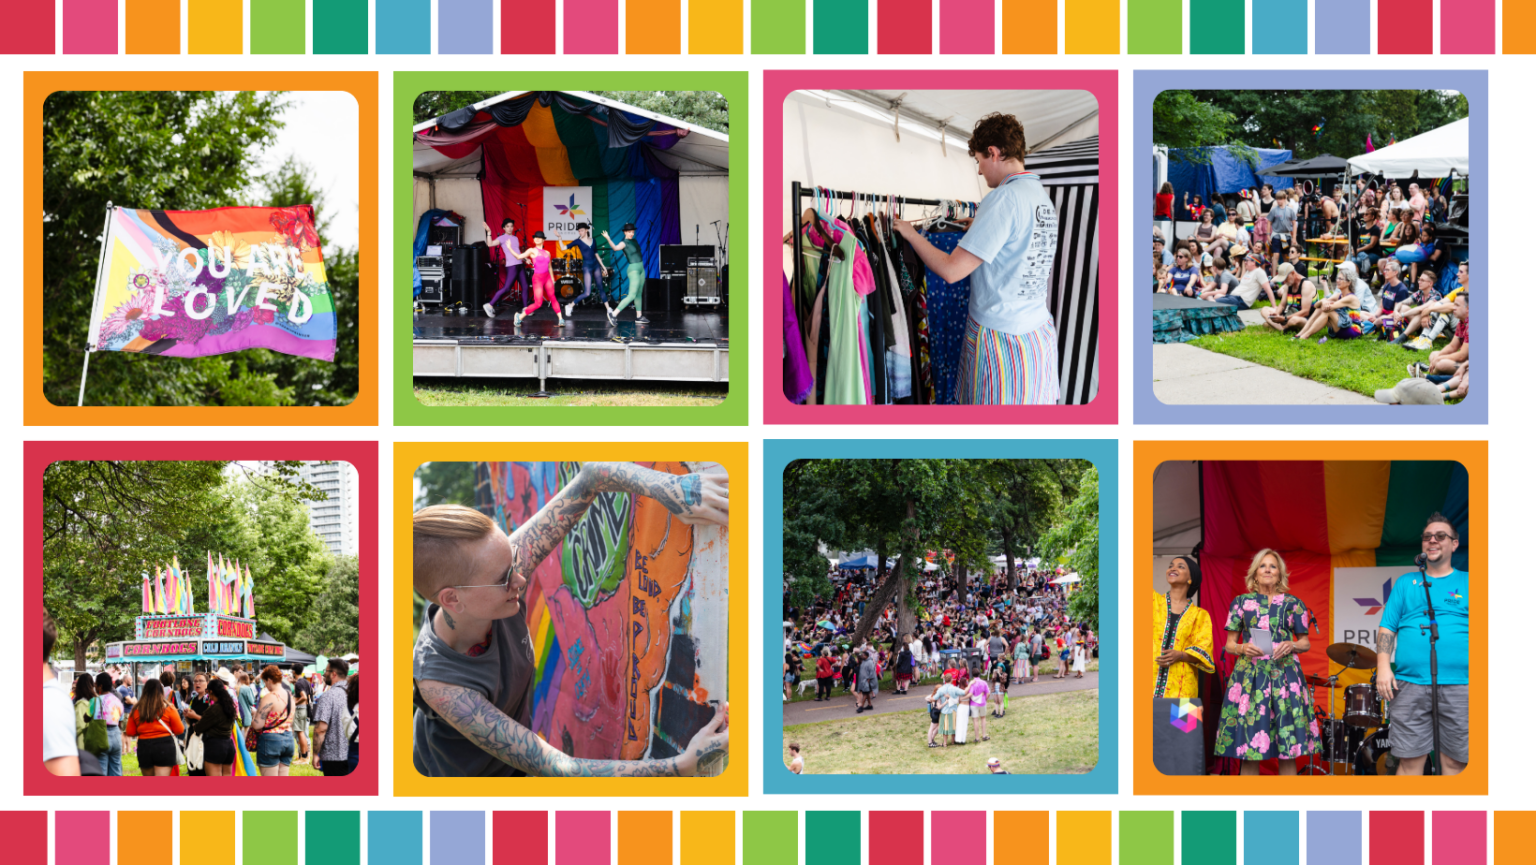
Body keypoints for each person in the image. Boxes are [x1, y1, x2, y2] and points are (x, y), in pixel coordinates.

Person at [412, 463, 729, 778]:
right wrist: (682, 766)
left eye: (512, 562)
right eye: (504, 578)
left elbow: (591, 477)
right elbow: (559, 767)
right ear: (452, 599)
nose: (520, 578)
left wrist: (671, 487)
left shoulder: (495, 575)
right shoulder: (441, 686)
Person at [891, 112, 1062, 405]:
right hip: (1037, 334)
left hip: (1003, 341)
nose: (980, 172)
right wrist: (980, 227)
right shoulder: (1040, 197)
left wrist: (911, 234)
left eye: (979, 161)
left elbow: (951, 271)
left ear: (994, 153)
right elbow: (1016, 245)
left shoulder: (1003, 199)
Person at [1375, 514, 1469, 775]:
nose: (1432, 540)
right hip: (1410, 684)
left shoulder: (1470, 582)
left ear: (1455, 544)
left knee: (1455, 763)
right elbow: (1387, 628)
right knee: (1409, 762)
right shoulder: (1406, 582)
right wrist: (1383, 667)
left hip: (1462, 684)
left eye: (1440, 536)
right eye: (1427, 536)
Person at [1213, 549, 1319, 775]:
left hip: (1285, 677)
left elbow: (1305, 643)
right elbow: (1229, 645)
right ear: (1255, 573)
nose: (1268, 569)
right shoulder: (1240, 602)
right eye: (1263, 566)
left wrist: (1291, 644)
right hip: (1250, 678)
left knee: (1287, 747)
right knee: (1249, 747)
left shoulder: (1293, 603)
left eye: (1273, 566)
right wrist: (1242, 647)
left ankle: (1288, 809)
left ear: (1280, 574)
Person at [1154, 556, 1216, 699]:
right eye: (1171, 565)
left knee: (1183, 722)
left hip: (1183, 690)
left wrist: (1180, 655)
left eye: (1180, 566)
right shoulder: (1152, 601)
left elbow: (1204, 652)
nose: (1173, 568)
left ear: (1191, 578)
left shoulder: (1200, 615)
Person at [124, 679, 184, 776]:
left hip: (144, 746)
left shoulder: (136, 709)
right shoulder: (169, 708)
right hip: (165, 745)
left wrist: (144, 730)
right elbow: (180, 730)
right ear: (161, 691)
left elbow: (130, 732)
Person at [310, 658, 354, 776]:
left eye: (326, 671)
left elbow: (321, 729)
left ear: (333, 674)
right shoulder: (355, 693)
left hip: (334, 757)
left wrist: (315, 754)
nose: (324, 674)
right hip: (355, 754)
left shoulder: (328, 696)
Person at [250, 664, 296, 776]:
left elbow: (257, 725)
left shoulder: (269, 697)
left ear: (269, 680)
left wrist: (254, 716)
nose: (265, 685)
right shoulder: (291, 697)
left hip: (270, 741)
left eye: (265, 682)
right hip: (288, 739)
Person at [511, 231, 564, 327]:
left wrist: (552, 279)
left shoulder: (547, 252)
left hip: (547, 277)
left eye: (539, 237)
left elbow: (550, 267)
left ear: (543, 240)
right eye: (535, 237)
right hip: (538, 279)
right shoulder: (532, 250)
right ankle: (520, 316)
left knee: (553, 297)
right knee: (538, 303)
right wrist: (510, 248)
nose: (536, 239)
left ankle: (561, 319)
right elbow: (519, 256)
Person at [1412, 292, 1469, 379]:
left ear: (1468, 309)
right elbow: (1452, 346)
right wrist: (1438, 357)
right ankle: (1439, 373)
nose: (1453, 308)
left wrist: (1439, 359)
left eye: (1457, 305)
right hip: (1464, 361)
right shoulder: (1461, 322)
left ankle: (1428, 375)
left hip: (1468, 364)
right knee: (1434, 355)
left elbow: (1462, 356)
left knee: (1441, 363)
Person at [482, 218, 531, 316]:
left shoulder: (515, 238)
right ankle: (489, 305)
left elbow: (518, 252)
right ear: (504, 228)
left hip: (520, 265)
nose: (510, 228)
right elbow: (489, 244)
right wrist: (489, 232)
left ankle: (525, 309)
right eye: (507, 226)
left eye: (511, 226)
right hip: (512, 266)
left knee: (525, 286)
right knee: (507, 288)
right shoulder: (502, 238)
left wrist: (525, 259)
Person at [603, 223, 649, 324]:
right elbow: (615, 248)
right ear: (625, 232)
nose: (631, 234)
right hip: (634, 269)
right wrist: (608, 238)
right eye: (629, 232)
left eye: (632, 232)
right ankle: (613, 314)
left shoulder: (634, 240)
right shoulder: (624, 242)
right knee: (632, 295)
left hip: (641, 268)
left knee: (638, 294)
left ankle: (639, 316)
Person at [192, 677, 237, 776]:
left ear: (211, 691)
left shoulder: (214, 709)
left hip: (215, 746)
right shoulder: (230, 706)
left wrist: (195, 724)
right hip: (229, 745)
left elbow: (199, 727)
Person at [564, 223, 611, 318]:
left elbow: (596, 254)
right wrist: (560, 238)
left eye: (581, 230)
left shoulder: (593, 240)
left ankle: (609, 309)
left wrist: (603, 266)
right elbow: (563, 248)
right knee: (587, 292)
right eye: (578, 231)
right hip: (587, 266)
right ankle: (569, 306)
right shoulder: (578, 241)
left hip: (596, 265)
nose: (579, 232)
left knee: (600, 288)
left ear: (586, 230)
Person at [93, 672, 125, 776]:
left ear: (100, 686)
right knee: (116, 770)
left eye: (96, 684)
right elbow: (120, 720)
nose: (95, 686)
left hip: (101, 736)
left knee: (101, 771)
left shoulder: (94, 701)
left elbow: (86, 718)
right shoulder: (118, 701)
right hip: (116, 735)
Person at [933, 672, 965, 747]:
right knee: (953, 726)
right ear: (952, 680)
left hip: (944, 710)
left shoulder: (941, 689)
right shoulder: (954, 688)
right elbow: (963, 693)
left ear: (944, 680)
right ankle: (953, 741)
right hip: (953, 709)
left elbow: (935, 697)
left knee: (945, 727)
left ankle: (945, 742)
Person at [291, 663, 313, 763]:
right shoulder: (305, 682)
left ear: (294, 671)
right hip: (305, 709)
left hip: (300, 709)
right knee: (301, 733)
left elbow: (304, 697)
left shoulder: (299, 683)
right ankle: (302, 756)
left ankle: (304, 757)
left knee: (301, 733)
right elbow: (308, 697)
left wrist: (294, 702)